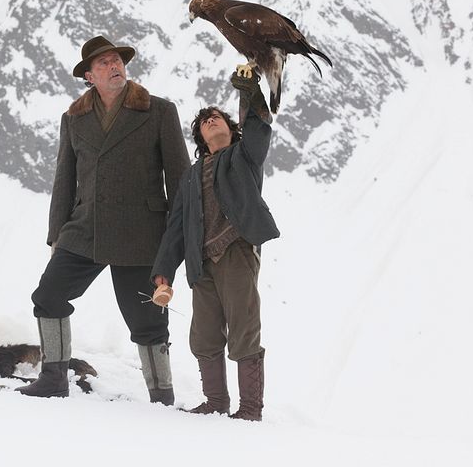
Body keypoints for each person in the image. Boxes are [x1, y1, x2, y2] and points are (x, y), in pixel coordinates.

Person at [18, 36, 190, 403]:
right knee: (48, 296)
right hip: (84, 230)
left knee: (147, 322)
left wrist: (178, 242)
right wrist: (56, 238)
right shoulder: (74, 119)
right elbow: (64, 181)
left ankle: (162, 396)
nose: (114, 67)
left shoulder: (159, 111)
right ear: (89, 77)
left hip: (142, 233)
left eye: (117, 61)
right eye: (104, 64)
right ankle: (53, 378)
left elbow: (180, 181)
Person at [151, 71, 280, 421]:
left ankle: (250, 408)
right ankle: (216, 402)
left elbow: (258, 126)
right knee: (204, 335)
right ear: (201, 138)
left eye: (217, 117)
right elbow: (176, 226)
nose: (211, 121)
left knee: (244, 328)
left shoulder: (244, 156)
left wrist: (249, 90)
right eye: (205, 122)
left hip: (237, 251)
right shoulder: (190, 176)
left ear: (230, 127)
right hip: (200, 262)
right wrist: (164, 270)